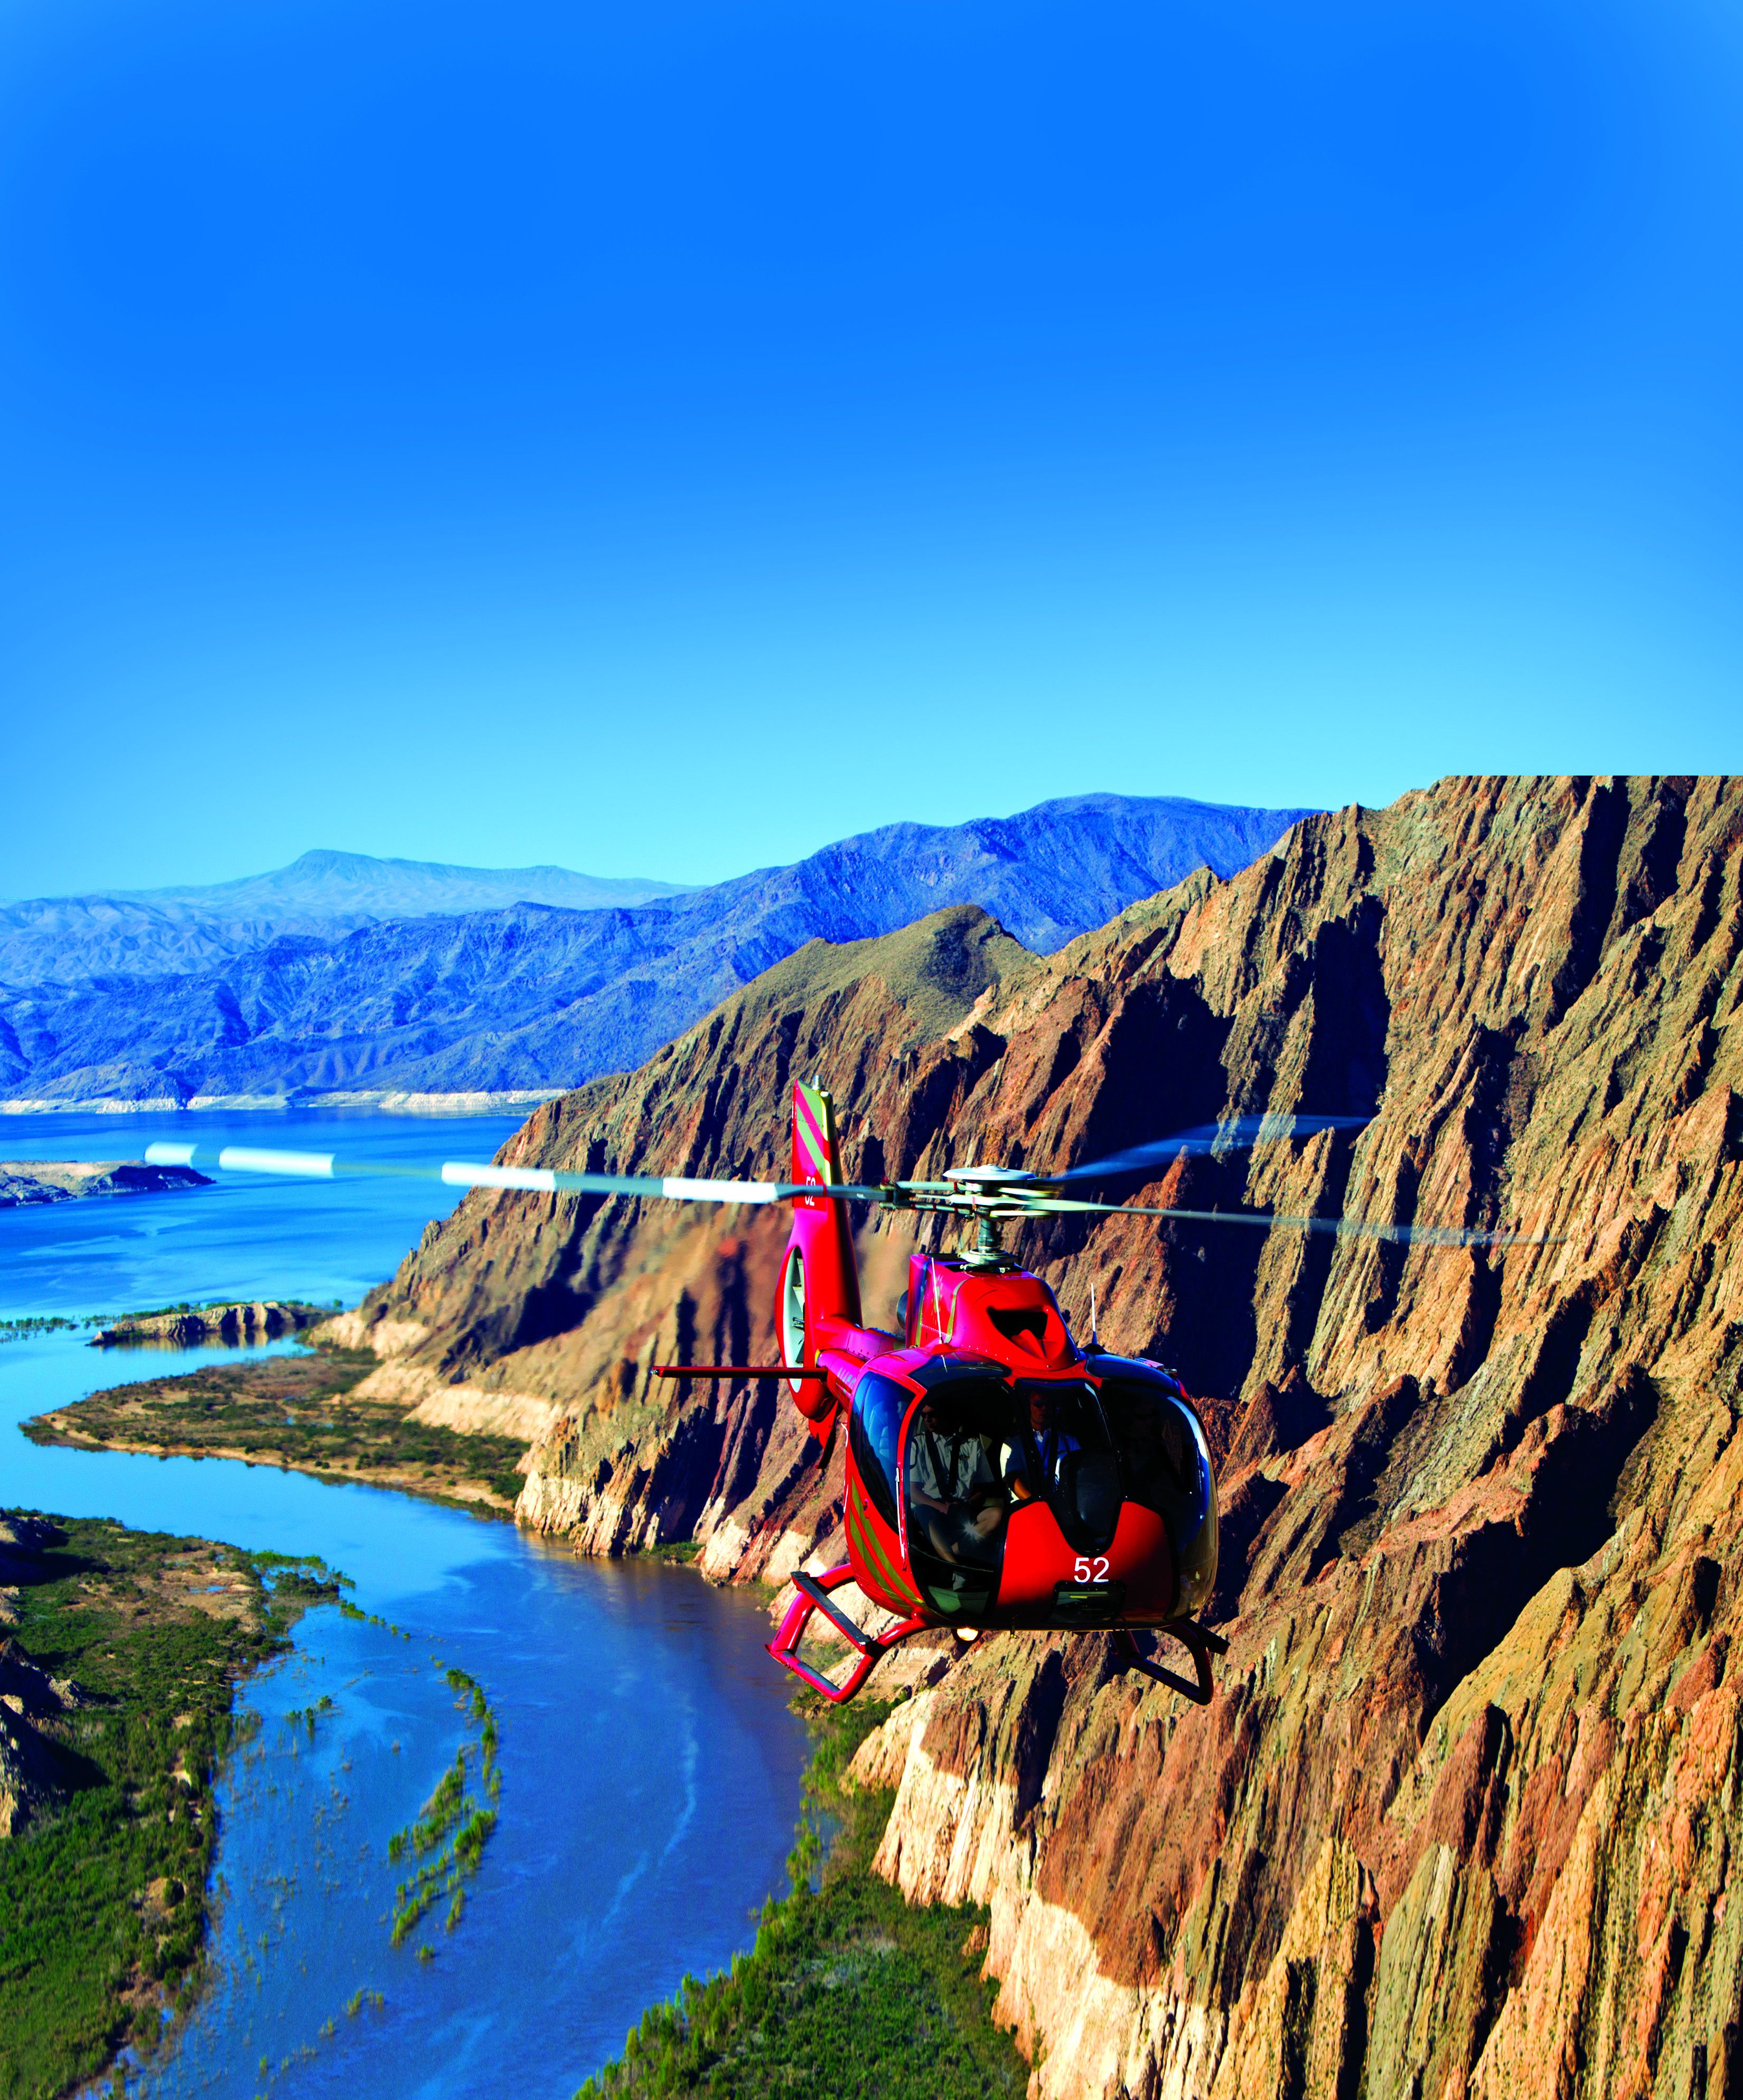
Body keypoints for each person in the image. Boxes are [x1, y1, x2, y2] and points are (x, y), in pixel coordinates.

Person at [907, 1403, 1005, 1566]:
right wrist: (941, 1507)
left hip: (963, 1509)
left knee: (997, 1515)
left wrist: (968, 1505)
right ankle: (954, 1566)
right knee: (922, 1511)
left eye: (933, 1414)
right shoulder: (917, 1445)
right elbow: (913, 1492)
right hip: (932, 1509)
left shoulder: (972, 1445)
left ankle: (950, 1551)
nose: (928, 1420)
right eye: (924, 1416)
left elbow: (983, 1489)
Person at [1002, 1385, 1082, 1500]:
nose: (1044, 1408)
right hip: (1028, 1506)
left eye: (1048, 1405)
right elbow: (1013, 1478)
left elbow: (1081, 1474)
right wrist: (1036, 1504)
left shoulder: (1069, 1441)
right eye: (1039, 1404)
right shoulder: (1014, 1443)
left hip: (1064, 1502)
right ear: (1028, 1408)